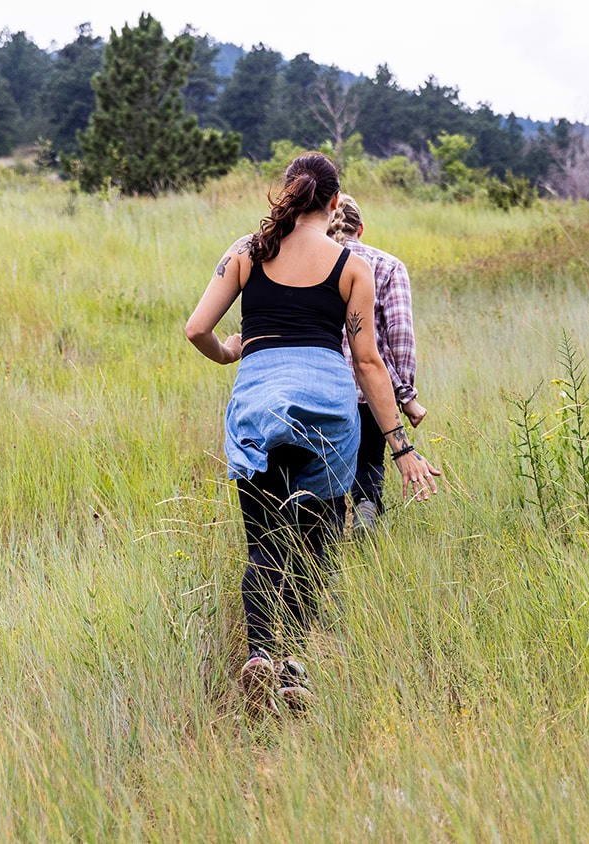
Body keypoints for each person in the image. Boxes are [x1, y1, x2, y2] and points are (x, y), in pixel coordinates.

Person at [184, 152, 441, 719]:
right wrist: (403, 450)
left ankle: (259, 656)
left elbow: (197, 328)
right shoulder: (352, 265)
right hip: (328, 414)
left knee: (264, 549)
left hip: (259, 412)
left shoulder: (246, 252)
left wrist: (231, 350)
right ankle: (294, 668)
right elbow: (370, 363)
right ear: (333, 204)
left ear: (288, 194)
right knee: (315, 549)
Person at [327, 194, 425, 531]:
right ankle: (366, 506)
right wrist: (405, 393)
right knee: (370, 460)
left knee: (325, 464)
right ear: (362, 228)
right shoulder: (387, 266)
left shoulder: (312, 263)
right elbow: (401, 336)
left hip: (322, 387)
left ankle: (331, 525)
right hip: (370, 389)